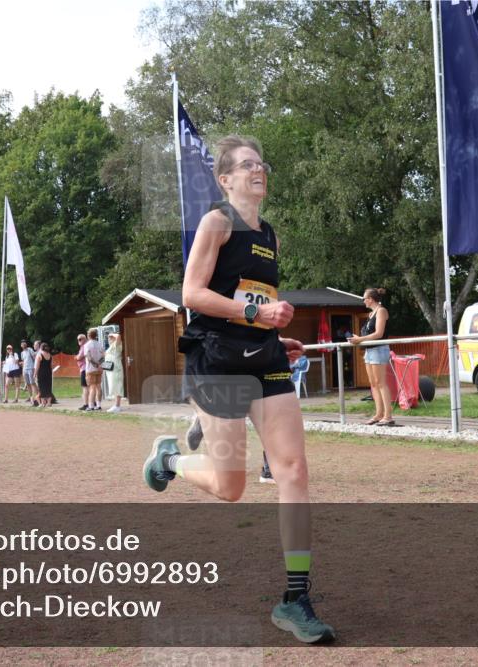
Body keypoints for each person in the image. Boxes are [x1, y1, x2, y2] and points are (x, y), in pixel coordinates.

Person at [142, 135, 335, 643]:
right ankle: (169, 461)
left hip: (265, 360)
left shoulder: (269, 234)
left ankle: (296, 599)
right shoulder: (218, 222)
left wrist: (274, 332)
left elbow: (257, 298)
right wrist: (255, 314)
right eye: (247, 165)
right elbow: (192, 294)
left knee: (293, 470)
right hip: (218, 361)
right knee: (231, 487)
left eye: (262, 164)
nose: (258, 170)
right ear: (225, 179)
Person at [349, 287, 394, 426]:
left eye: (364, 298)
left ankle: (388, 416)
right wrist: (359, 338)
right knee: (373, 384)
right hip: (370, 350)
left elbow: (379, 334)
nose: (363, 301)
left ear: (371, 299)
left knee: (381, 383)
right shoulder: (370, 314)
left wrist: (360, 340)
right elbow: (370, 334)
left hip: (379, 349)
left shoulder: (381, 311)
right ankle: (378, 414)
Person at [83, 328, 104, 411]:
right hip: (99, 368)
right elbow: (103, 356)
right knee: (98, 386)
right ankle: (98, 405)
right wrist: (99, 364)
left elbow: (88, 357)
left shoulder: (87, 345)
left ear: (88, 336)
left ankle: (91, 406)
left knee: (92, 387)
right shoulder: (99, 344)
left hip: (90, 369)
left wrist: (95, 364)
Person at [103, 333, 125, 413]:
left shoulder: (117, 344)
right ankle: (116, 405)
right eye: (109, 338)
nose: (109, 339)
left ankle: (117, 406)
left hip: (116, 369)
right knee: (114, 386)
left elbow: (119, 336)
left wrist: (112, 334)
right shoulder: (111, 347)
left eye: (111, 338)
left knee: (117, 386)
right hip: (111, 370)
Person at [34, 342, 55, 407]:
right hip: (48, 373)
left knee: (41, 387)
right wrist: (51, 372)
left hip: (41, 373)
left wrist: (35, 374)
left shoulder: (39, 355)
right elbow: (51, 366)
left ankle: (43, 403)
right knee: (48, 387)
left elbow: (37, 366)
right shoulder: (50, 355)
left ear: (41, 348)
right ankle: (49, 403)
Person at [74, 333, 88, 410]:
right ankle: (93, 402)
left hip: (84, 368)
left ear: (84, 339)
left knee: (85, 387)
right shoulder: (84, 346)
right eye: (78, 339)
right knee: (90, 387)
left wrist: (76, 357)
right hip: (87, 368)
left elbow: (79, 357)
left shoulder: (84, 347)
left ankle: (86, 404)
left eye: (80, 339)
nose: (78, 341)